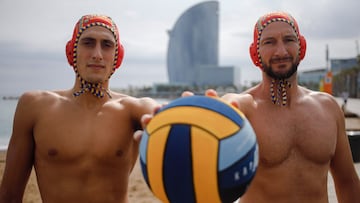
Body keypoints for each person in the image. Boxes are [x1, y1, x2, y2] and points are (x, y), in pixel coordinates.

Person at [0, 14, 158, 203]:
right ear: (72, 51)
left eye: (107, 45)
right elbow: (9, 195)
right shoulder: (35, 106)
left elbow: (166, 118)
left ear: (118, 56)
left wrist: (198, 109)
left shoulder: (132, 109)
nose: (97, 54)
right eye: (88, 43)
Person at [215, 11, 360, 203]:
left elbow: (347, 182)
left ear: (302, 47)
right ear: (254, 53)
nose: (281, 51)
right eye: (269, 42)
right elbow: (220, 110)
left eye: (289, 39)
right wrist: (194, 112)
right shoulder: (245, 108)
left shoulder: (328, 108)